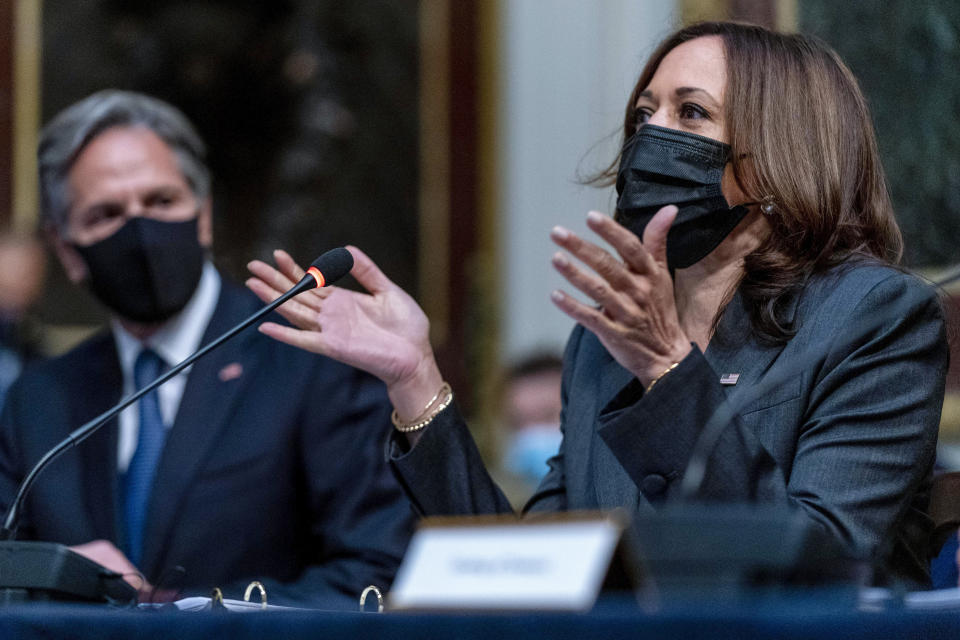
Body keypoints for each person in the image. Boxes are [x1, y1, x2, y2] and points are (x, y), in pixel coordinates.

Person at [246, 22, 948, 586]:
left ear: (781, 152)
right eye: (644, 114)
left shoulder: (874, 317)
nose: (651, 135)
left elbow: (822, 560)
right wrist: (416, 381)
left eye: (691, 113)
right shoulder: (605, 341)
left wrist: (669, 370)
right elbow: (534, 571)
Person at [0, 90, 414, 606]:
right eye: (106, 213)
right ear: (67, 250)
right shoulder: (38, 401)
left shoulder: (311, 361)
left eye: (160, 202)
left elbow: (376, 573)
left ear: (203, 217)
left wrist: (174, 612)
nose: (140, 229)